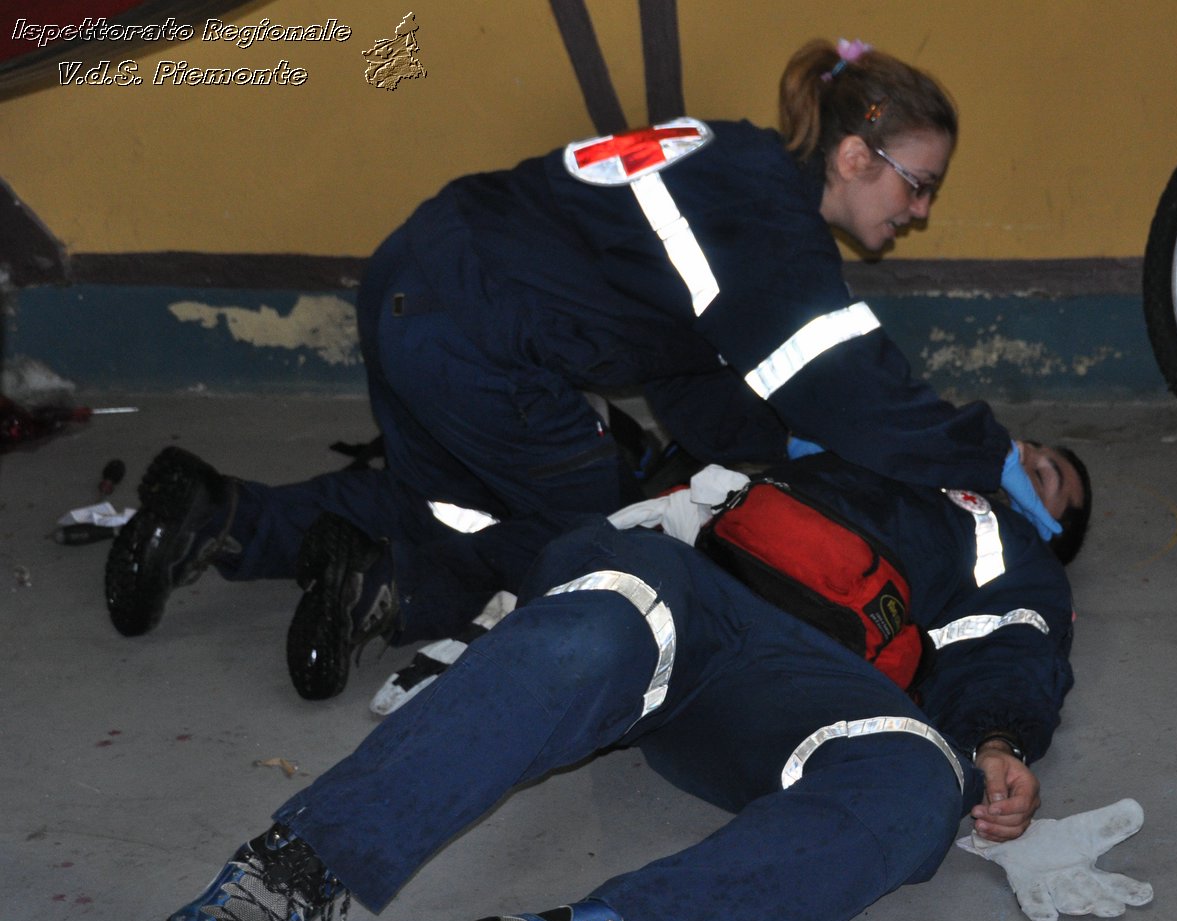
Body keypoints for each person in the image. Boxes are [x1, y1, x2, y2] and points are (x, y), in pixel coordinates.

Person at [103, 37, 1064, 700]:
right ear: (857, 154)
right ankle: (383, 589)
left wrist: (776, 450)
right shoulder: (768, 224)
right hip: (484, 336)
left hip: (413, 278)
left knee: (455, 505)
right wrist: (988, 455)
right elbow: (851, 382)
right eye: (920, 184)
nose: (923, 211)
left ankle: (219, 514)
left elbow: (686, 367)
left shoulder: (731, 164)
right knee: (609, 550)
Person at [136, 443, 1091, 921]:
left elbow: (1014, 641)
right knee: (589, 634)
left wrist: (997, 739)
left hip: (799, 685)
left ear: (1055, 521)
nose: (1030, 457)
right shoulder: (854, 440)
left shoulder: (999, 536)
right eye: (1038, 452)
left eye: (1052, 476)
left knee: (922, 779)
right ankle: (283, 876)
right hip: (678, 577)